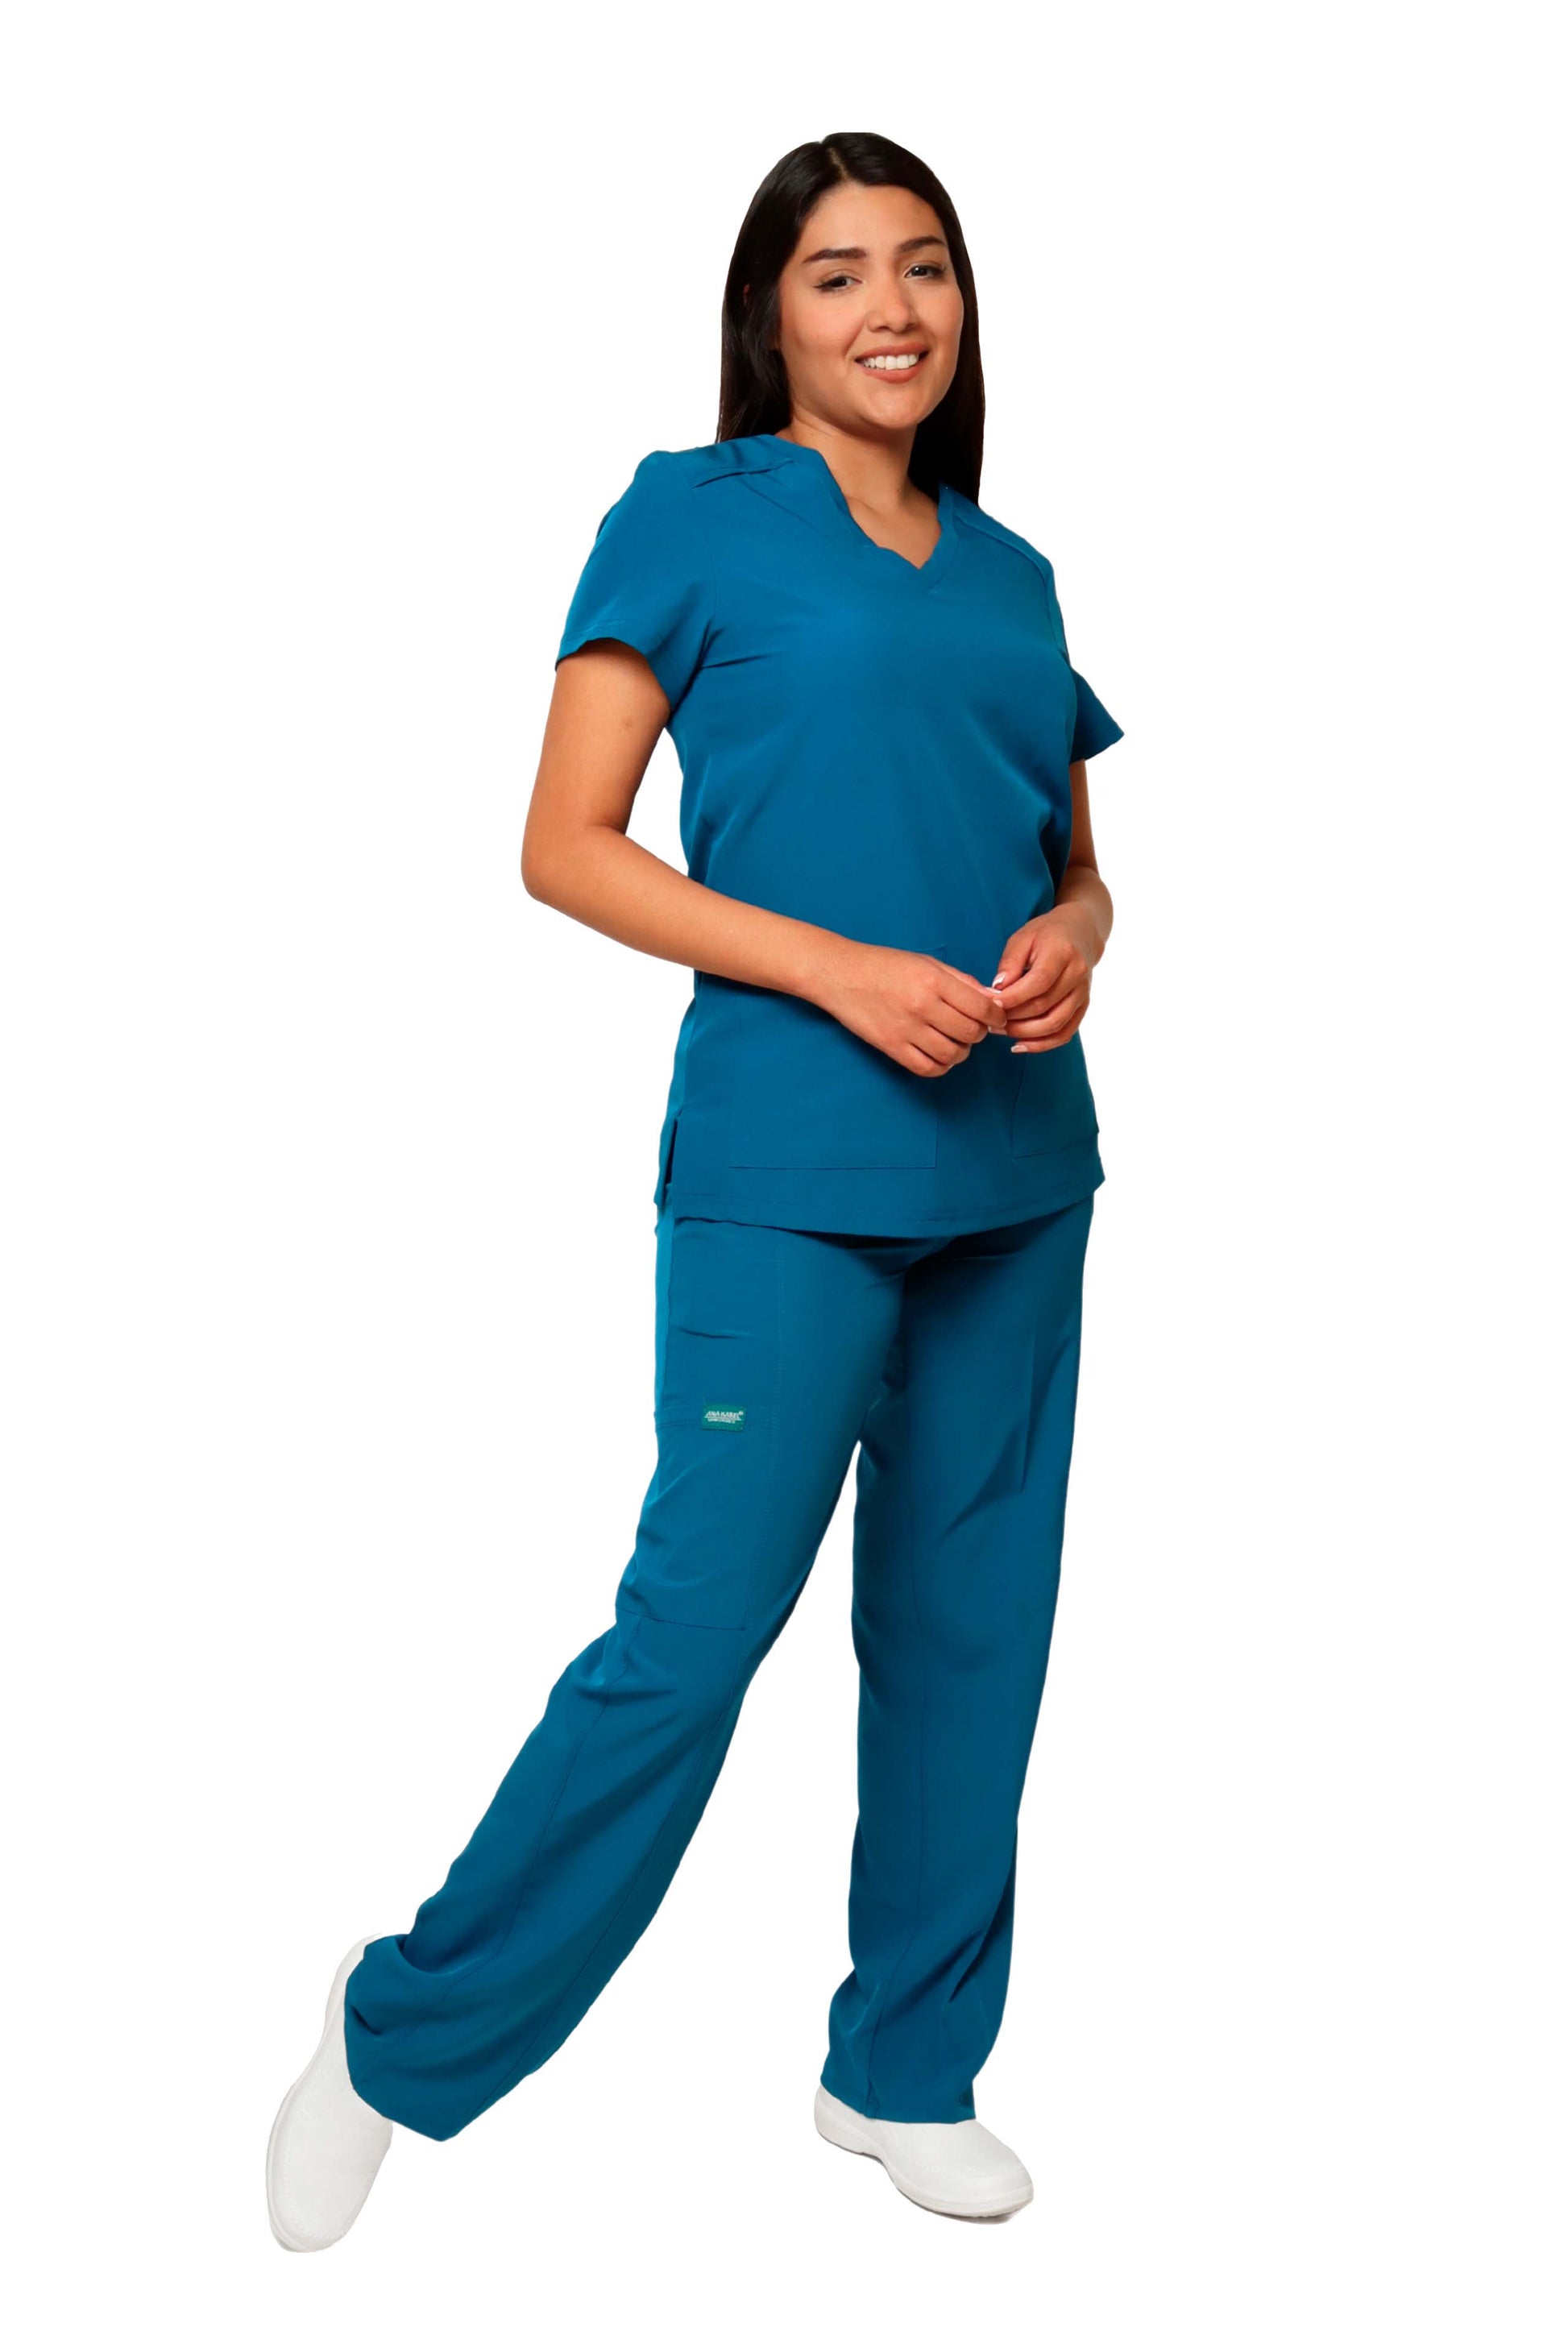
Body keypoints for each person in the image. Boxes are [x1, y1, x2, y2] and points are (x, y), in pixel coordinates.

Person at [267, 129, 1124, 2246]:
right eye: (838, 273)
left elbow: (1073, 860)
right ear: (772, 316)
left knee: (974, 1634)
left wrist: (1077, 934)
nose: (892, 309)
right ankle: (400, 2031)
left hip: (1022, 1169)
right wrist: (839, 970)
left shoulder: (1011, 572)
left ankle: (903, 2067)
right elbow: (562, 844)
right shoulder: (689, 513)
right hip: (787, 1165)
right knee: (694, 1632)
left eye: (924, 265)